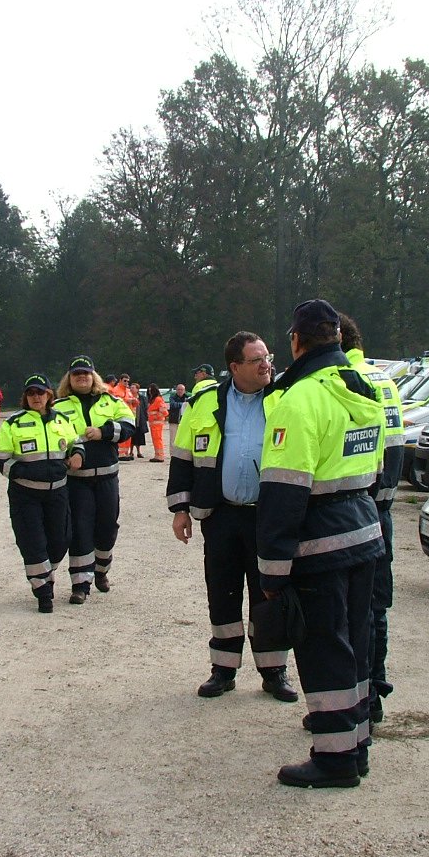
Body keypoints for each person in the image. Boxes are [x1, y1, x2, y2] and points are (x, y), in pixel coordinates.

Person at [258, 299, 385, 789]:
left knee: (323, 648)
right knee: (355, 644)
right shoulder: (360, 388)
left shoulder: (300, 398)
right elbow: (372, 469)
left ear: (296, 341)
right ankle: (356, 745)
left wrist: (272, 568)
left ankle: (333, 761)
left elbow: (284, 490)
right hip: (363, 532)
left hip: (321, 543)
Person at [168, 332, 297, 703]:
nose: (266, 365)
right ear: (234, 367)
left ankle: (274, 672)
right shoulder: (205, 401)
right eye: (256, 359)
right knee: (222, 593)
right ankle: (223, 671)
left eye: (267, 357)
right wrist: (180, 509)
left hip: (267, 518)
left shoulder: (284, 398)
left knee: (268, 595)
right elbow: (183, 457)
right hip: (221, 516)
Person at [340, 312, 405, 727]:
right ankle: (375, 692)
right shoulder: (385, 379)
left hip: (351, 508)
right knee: (376, 607)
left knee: (346, 612)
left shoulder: (343, 379)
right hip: (382, 509)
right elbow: (396, 446)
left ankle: (355, 698)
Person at [0, 374, 85, 612]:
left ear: (49, 395)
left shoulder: (62, 420)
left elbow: (77, 443)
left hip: (58, 493)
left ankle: (46, 574)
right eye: (31, 393)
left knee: (60, 540)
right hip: (26, 495)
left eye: (40, 393)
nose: (36, 397)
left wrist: (77, 455)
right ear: (25, 397)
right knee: (33, 542)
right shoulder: (14, 423)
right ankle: (43, 591)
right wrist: (25, 472)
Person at [53, 354, 135, 604]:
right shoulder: (59, 406)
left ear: (93, 376)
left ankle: (101, 570)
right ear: (70, 378)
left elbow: (130, 425)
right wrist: (71, 451)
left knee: (108, 527)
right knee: (80, 530)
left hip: (107, 478)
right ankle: (80, 584)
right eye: (77, 374)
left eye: (86, 373)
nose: (82, 377)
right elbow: (54, 435)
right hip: (77, 480)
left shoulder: (111, 401)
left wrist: (104, 432)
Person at [116, 373, 137, 460]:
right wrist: (127, 400)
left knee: (128, 435)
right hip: (121, 415)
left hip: (130, 415)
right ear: (120, 380)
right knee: (122, 433)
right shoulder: (116, 390)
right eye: (125, 380)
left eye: (128, 381)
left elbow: (135, 403)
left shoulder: (128, 391)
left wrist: (135, 400)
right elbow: (116, 401)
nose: (126, 382)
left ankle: (126, 452)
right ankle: (120, 453)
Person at [146, 383, 167, 462]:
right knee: (155, 440)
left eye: (151, 390)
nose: (150, 392)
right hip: (154, 424)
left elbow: (165, 412)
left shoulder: (158, 399)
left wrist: (156, 416)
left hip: (157, 424)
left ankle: (160, 456)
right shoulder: (154, 400)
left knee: (158, 439)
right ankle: (157, 455)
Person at [131, 382, 148, 458]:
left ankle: (138, 451)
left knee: (139, 436)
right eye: (131, 387)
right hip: (131, 419)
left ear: (137, 389)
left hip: (139, 420)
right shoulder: (129, 397)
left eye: (133, 387)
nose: (131, 389)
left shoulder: (142, 398)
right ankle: (130, 451)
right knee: (131, 436)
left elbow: (145, 408)